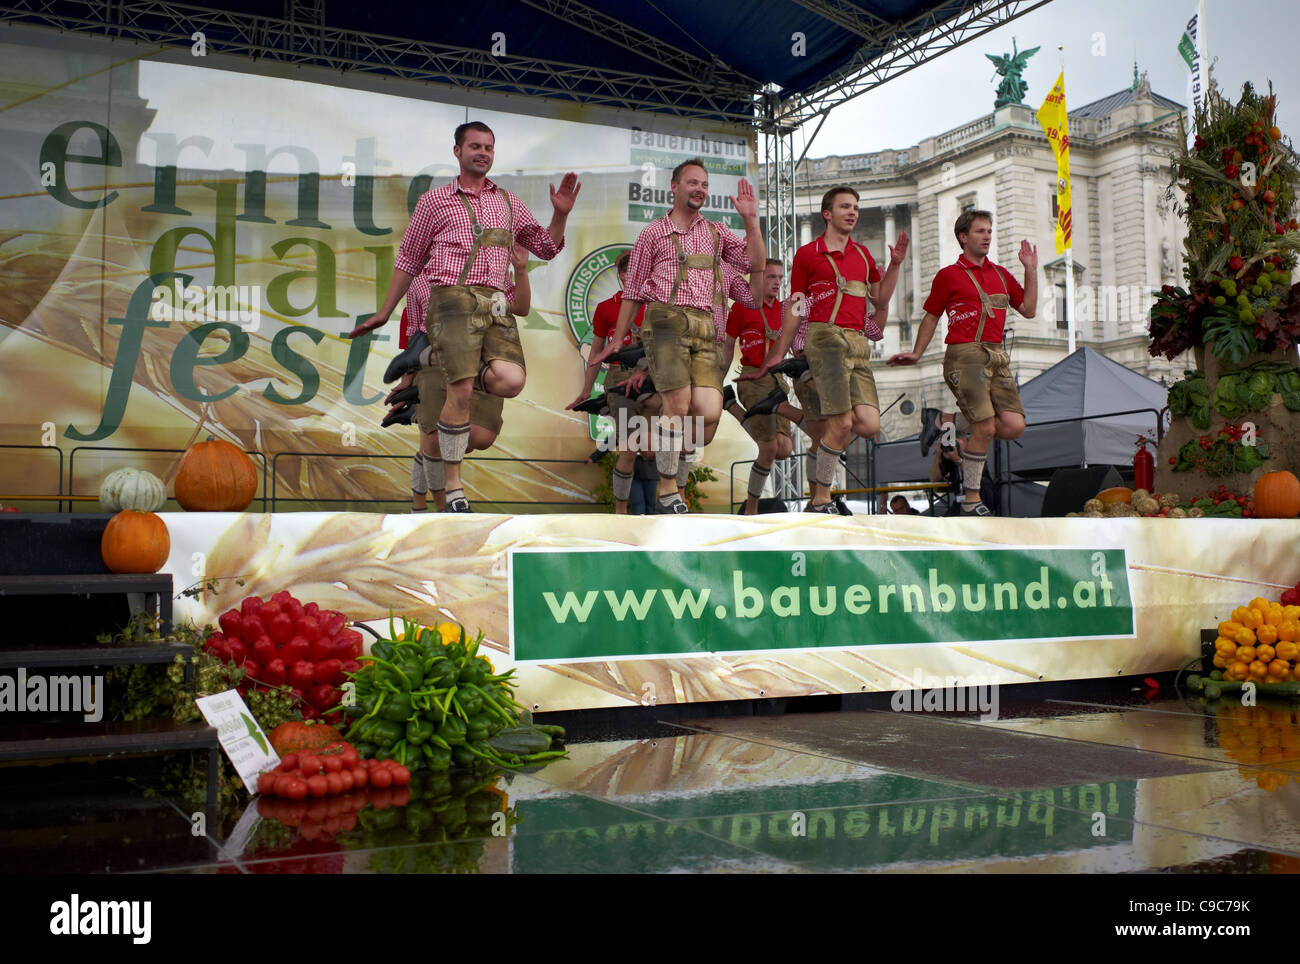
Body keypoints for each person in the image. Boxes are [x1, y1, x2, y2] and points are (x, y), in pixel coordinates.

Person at [348, 121, 581, 512]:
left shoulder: (508, 203)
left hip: (494, 302)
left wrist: (560, 216)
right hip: (452, 298)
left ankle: (426, 355)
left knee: (511, 379)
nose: (483, 153)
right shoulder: (434, 202)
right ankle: (454, 491)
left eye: (489, 147)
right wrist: (385, 312)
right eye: (475, 146)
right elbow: (408, 259)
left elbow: (546, 246)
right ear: (457, 151)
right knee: (460, 388)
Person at [588, 158, 765, 514]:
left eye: (704, 184)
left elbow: (755, 264)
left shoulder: (716, 232)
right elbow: (634, 291)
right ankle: (668, 491)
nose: (699, 189)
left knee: (708, 410)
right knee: (675, 407)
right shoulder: (652, 233)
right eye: (692, 183)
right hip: (665, 321)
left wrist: (750, 221)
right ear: (674, 186)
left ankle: (666, 454)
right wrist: (619, 338)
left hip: (704, 329)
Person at [744, 186, 907, 513]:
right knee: (839, 424)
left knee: (869, 424)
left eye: (856, 208)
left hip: (856, 343)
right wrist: (779, 352)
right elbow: (796, 306)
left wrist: (896, 265)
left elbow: (880, 300)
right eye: (846, 207)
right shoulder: (807, 254)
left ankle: (818, 495)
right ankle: (820, 498)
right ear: (827, 214)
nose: (853, 212)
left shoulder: (862, 255)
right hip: (824, 340)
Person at [887, 209, 1037, 516]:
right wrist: (916, 353)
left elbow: (1030, 310)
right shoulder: (948, 275)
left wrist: (1031, 269)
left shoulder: (1001, 274)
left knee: (1013, 424)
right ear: (963, 237)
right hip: (964, 354)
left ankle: (945, 421)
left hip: (997, 354)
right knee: (984, 426)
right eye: (981, 231)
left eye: (989, 231)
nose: (987, 237)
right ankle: (971, 499)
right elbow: (931, 316)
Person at [386, 244, 531, 510]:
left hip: (481, 361)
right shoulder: (419, 278)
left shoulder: (492, 272)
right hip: (435, 364)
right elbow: (414, 333)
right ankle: (442, 509)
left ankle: (424, 497)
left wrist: (521, 270)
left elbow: (520, 307)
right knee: (432, 441)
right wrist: (407, 381)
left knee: (479, 438)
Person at [566, 251, 647, 514]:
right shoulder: (605, 308)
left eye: (640, 271)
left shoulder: (655, 306)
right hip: (618, 378)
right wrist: (586, 390)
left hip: (651, 378)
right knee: (629, 448)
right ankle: (620, 510)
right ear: (622, 276)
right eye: (629, 272)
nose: (635, 276)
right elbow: (595, 353)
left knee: (654, 451)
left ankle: (672, 499)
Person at [720, 259, 799, 514]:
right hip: (753, 378)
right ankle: (751, 510)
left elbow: (796, 341)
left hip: (777, 378)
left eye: (779, 277)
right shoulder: (742, 308)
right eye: (770, 277)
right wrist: (717, 380)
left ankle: (732, 407)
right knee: (769, 448)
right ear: (758, 280)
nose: (777, 282)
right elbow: (728, 344)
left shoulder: (787, 309)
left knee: (785, 450)